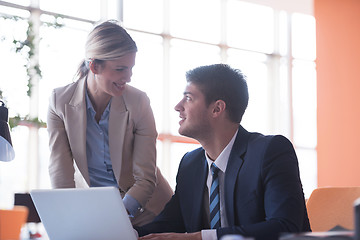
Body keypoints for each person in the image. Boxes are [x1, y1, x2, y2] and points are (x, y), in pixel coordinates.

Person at [135, 64, 311, 240]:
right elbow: (169, 223)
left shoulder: (270, 151)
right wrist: (125, 234)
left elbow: (285, 227)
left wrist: (199, 238)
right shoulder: (191, 163)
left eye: (188, 98)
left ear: (217, 109)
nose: (178, 107)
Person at [46, 20, 173, 226]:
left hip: (149, 211)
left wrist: (116, 216)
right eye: (121, 69)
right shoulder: (60, 102)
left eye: (131, 68)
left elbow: (145, 179)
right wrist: (67, 217)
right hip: (97, 213)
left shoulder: (139, 102)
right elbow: (61, 173)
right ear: (94, 66)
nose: (128, 77)